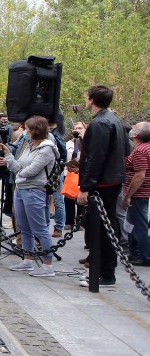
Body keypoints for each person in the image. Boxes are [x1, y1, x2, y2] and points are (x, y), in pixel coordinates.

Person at [77, 85, 128, 288]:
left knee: (102, 229)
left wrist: (85, 186)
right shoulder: (114, 120)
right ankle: (103, 271)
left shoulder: (100, 123)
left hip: (103, 182)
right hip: (112, 178)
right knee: (108, 227)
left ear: (91, 99)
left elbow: (95, 157)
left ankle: (104, 273)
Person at [0, 116, 59, 276]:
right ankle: (27, 259)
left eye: (27, 129)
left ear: (35, 131)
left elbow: (31, 170)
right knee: (24, 227)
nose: (24, 132)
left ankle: (47, 265)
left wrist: (18, 171)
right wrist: (8, 154)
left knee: (39, 227)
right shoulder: (29, 146)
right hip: (21, 188)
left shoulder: (47, 148)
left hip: (35, 190)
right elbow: (17, 165)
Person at [123, 122, 150, 266]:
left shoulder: (140, 151)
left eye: (135, 127)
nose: (132, 127)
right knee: (132, 224)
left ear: (137, 135)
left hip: (139, 194)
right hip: (142, 193)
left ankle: (145, 255)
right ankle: (135, 253)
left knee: (139, 226)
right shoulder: (145, 149)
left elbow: (140, 175)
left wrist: (128, 195)